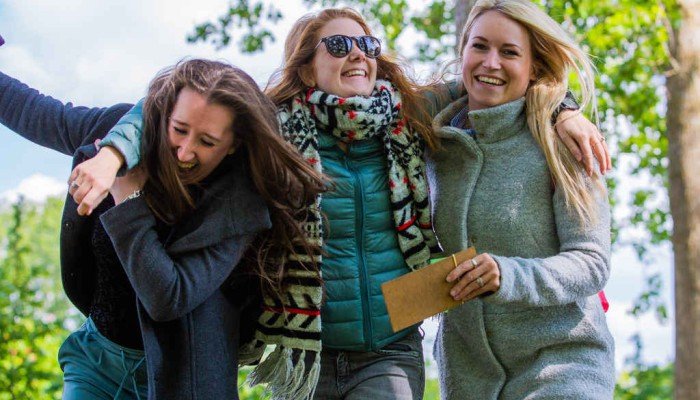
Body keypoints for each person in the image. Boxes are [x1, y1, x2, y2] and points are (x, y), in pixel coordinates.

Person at [66, 8, 610, 400]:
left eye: (368, 45)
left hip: (391, 351)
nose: (358, 54)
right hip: (309, 356)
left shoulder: (407, 115)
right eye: (339, 45)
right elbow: (183, 97)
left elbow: (491, 79)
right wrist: (113, 155)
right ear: (306, 67)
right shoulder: (272, 134)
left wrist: (563, 108)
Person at [0, 59, 325, 399]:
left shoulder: (240, 206)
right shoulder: (117, 135)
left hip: (182, 382)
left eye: (207, 141)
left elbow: (169, 297)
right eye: (179, 129)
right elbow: (37, 113)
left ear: (233, 143)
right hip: (96, 363)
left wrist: (128, 199)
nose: (185, 152)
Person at [428, 0, 615, 398]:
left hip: (564, 367)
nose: (491, 62)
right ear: (463, 51)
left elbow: (591, 261)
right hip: (467, 380)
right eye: (479, 46)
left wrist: (508, 274)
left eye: (509, 52)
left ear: (533, 67)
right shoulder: (432, 142)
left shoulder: (563, 143)